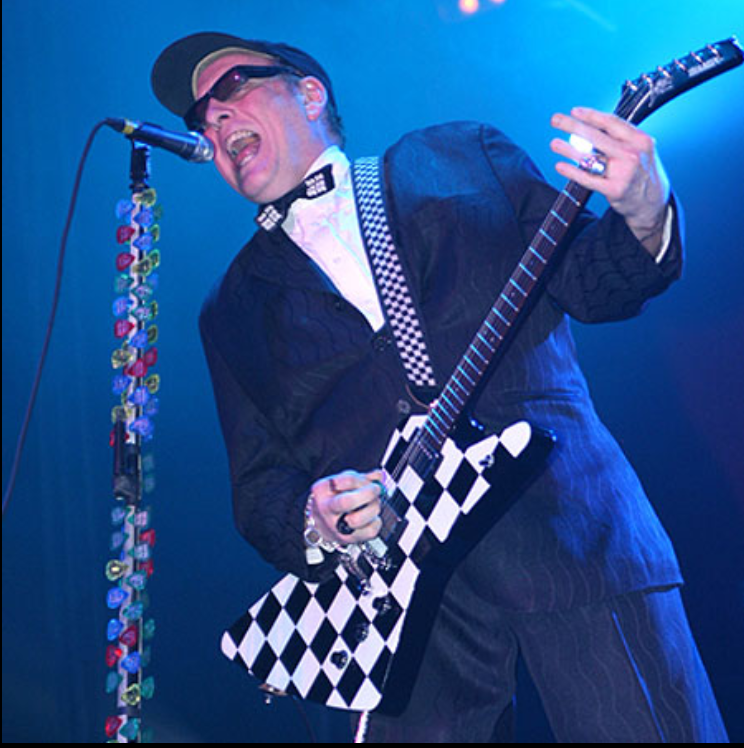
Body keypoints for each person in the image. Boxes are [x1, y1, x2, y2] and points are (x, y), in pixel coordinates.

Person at [151, 32, 729, 742]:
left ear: (310, 93)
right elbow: (259, 485)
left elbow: (590, 282)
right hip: (400, 615)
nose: (213, 117)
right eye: (200, 116)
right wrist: (316, 516)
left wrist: (643, 207)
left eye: (233, 87)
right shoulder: (230, 309)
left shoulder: (457, 154)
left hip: (566, 527)